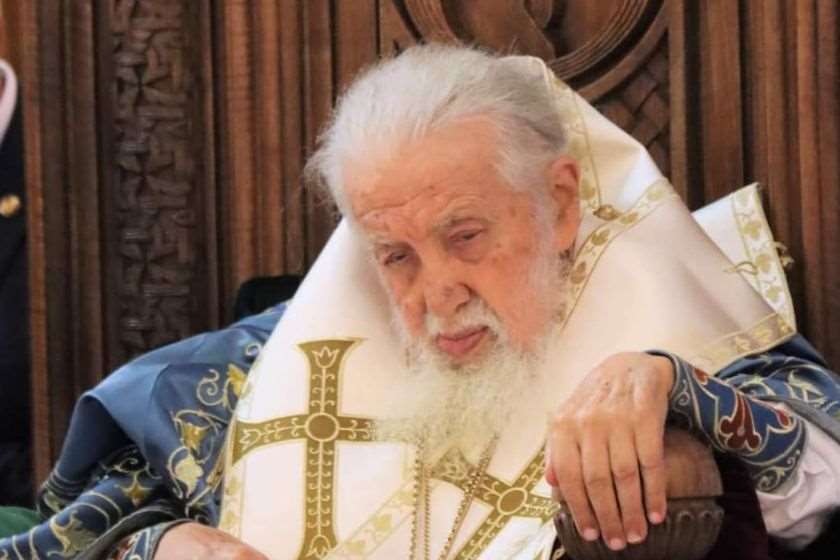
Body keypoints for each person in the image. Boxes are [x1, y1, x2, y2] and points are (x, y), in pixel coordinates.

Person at [2, 45, 840, 560]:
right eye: (395, 256)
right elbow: (77, 512)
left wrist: (673, 387)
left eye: (465, 236)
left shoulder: (671, 320)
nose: (437, 294)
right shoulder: (286, 356)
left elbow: (816, 479)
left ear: (559, 202)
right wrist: (160, 545)